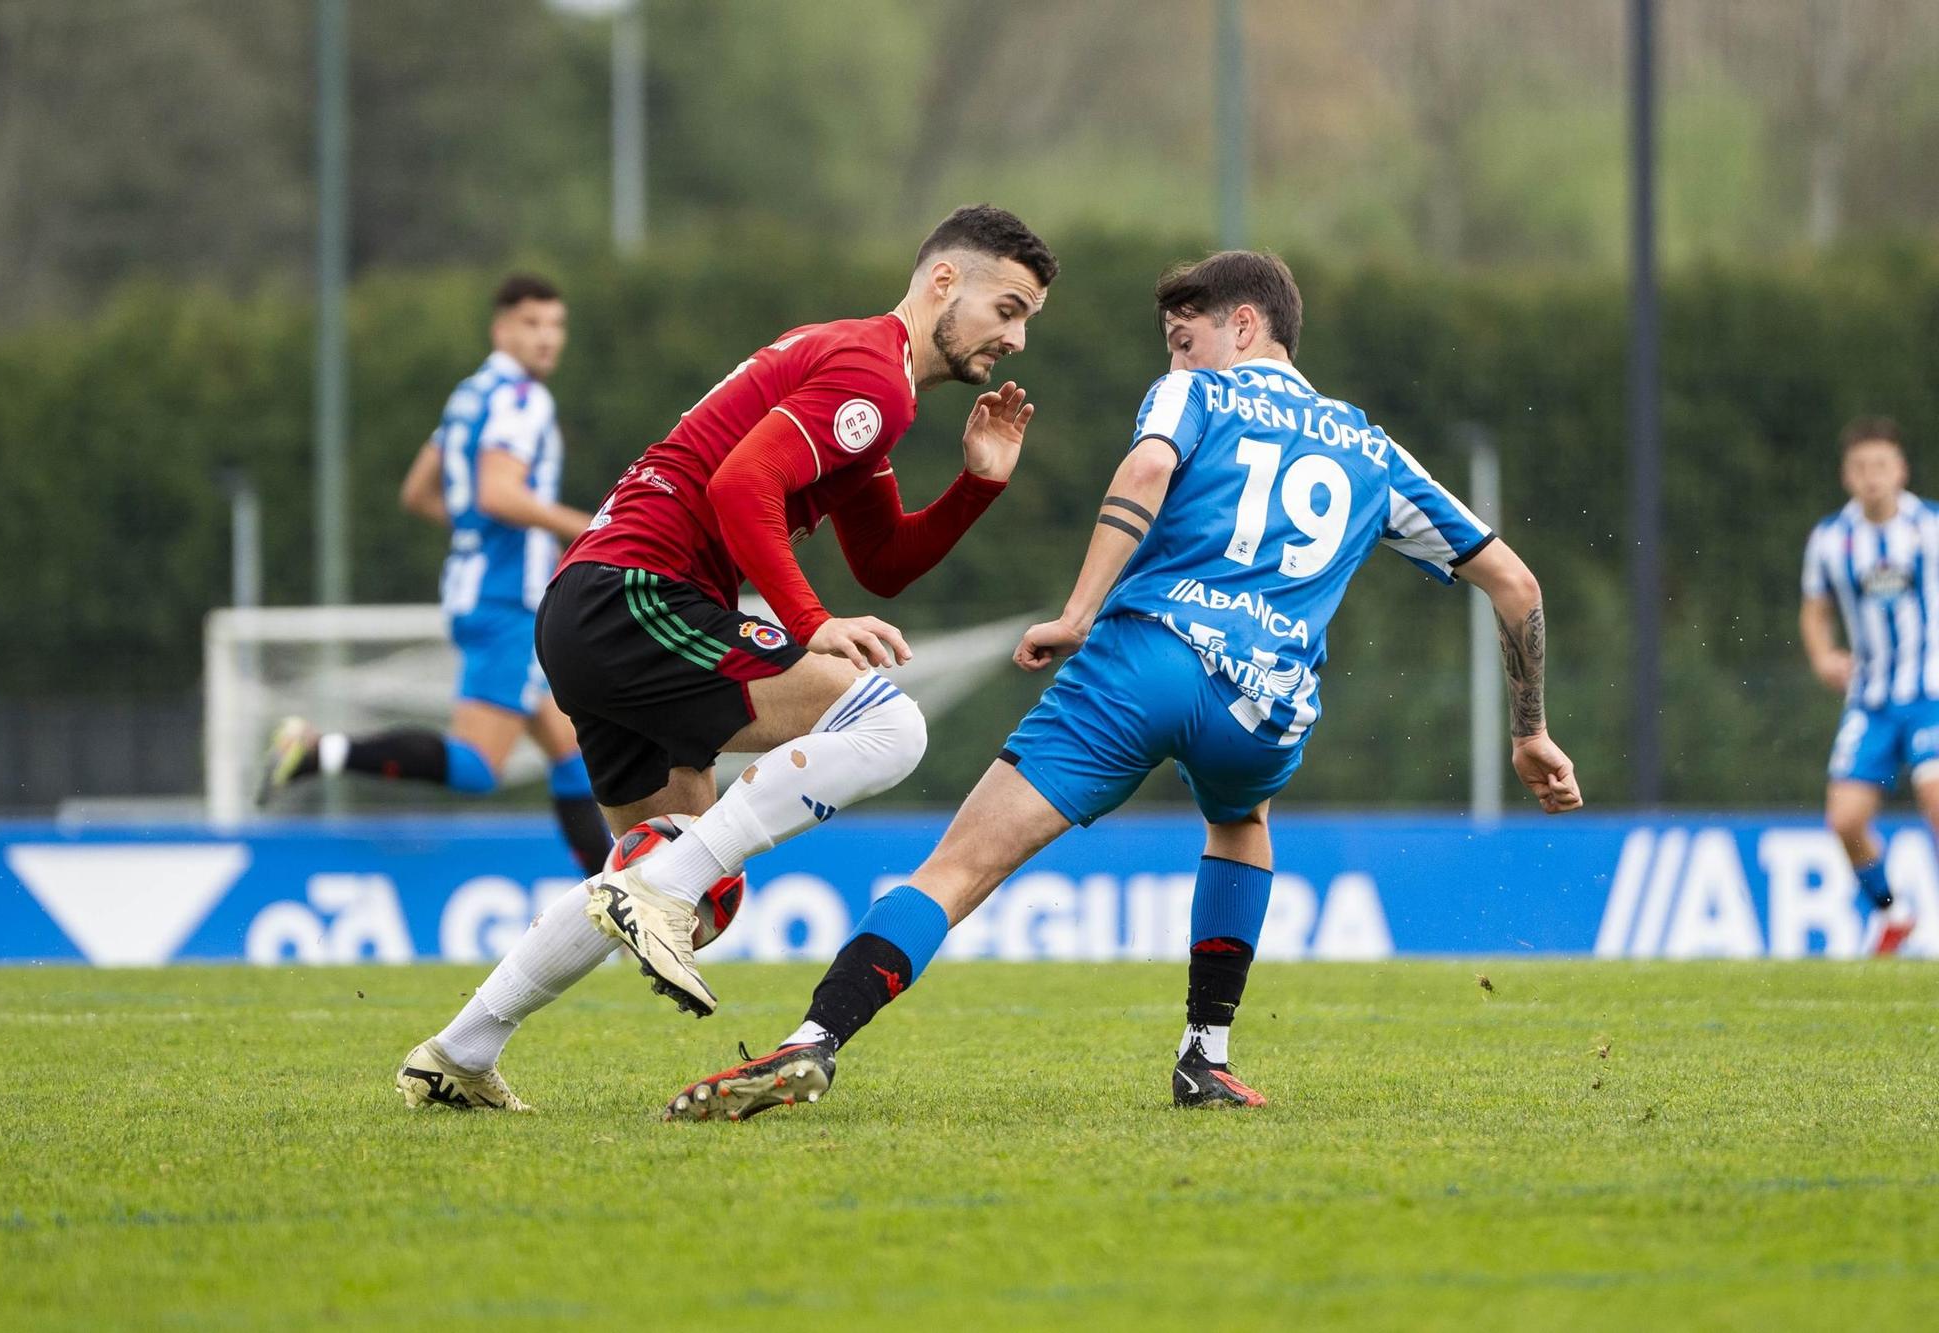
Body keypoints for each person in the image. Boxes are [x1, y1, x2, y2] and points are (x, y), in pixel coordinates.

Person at [663, 249, 1583, 1123]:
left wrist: (1074, 612)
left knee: (958, 868)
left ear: (1246, 325)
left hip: (1146, 663)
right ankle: (1206, 1054)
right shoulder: (1374, 451)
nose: (1176, 356)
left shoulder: (1199, 392)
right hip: (1264, 709)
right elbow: (1518, 585)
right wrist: (1530, 730)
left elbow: (1148, 467)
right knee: (1242, 821)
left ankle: (816, 1037)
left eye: (1185, 337)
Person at [393, 206, 1058, 1111]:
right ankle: (654, 893)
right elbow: (739, 482)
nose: (1015, 337)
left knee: (663, 880)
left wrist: (978, 482)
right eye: (1008, 308)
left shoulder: (866, 373)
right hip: (637, 594)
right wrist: (809, 620)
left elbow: (885, 562)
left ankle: (460, 1052)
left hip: (595, 607)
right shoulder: (875, 377)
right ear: (944, 281)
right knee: (891, 723)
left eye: (1027, 320)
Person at [257, 275, 612, 887]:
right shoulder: (522, 400)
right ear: (501, 328)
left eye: (556, 325)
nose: (547, 338)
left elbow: (418, 492)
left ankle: (616, 905)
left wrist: (481, 532)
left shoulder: (470, 396)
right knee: (478, 767)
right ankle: (319, 751)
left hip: (480, 589)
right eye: (532, 324)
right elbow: (498, 493)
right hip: (507, 602)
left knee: (571, 754)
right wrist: (587, 529)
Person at [1799, 416, 1926, 957]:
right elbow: (1815, 608)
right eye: (1860, 467)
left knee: (1937, 799)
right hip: (1870, 701)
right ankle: (1894, 915)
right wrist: (1824, 655)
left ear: (1900, 470)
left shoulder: (1932, 529)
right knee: (1845, 820)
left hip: (1930, 697)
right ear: (1846, 476)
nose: (1872, 477)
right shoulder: (1831, 538)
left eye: (1881, 465)